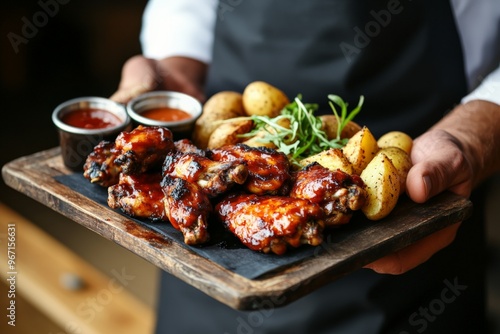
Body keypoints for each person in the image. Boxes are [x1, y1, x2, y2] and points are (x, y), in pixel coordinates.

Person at [111, 1, 500, 333]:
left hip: (413, 233)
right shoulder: (200, 187)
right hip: (206, 280)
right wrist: (175, 65)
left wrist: (475, 136)